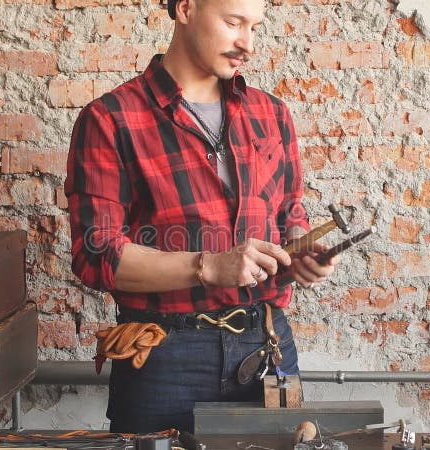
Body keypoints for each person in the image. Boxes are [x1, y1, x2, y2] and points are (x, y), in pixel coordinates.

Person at [65, 0, 339, 434]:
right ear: (186, 8)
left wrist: (301, 250)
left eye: (254, 27)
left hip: (267, 344)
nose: (246, 43)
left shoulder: (272, 115)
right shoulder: (111, 119)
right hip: (161, 357)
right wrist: (208, 265)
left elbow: (290, 214)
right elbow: (96, 255)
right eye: (233, 23)